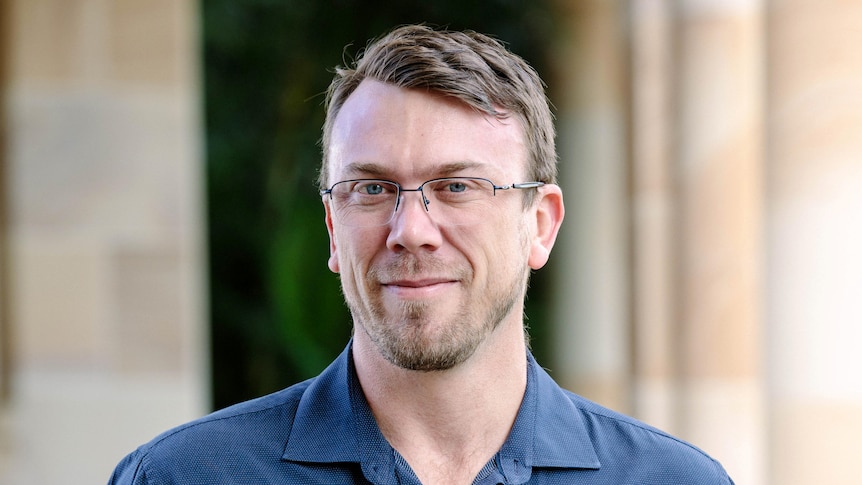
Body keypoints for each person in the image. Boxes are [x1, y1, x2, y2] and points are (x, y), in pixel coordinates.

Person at [109, 24, 734, 484]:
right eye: (373, 188)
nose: (412, 229)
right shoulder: (182, 477)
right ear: (332, 227)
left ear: (539, 226)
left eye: (457, 187)